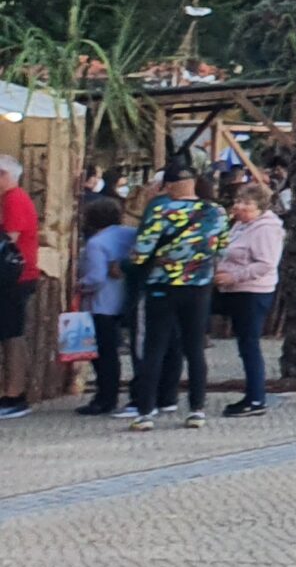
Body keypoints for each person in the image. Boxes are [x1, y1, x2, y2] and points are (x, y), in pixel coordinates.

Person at [128, 171, 231, 430]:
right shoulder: (216, 212)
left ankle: (145, 412)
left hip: (162, 285)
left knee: (155, 347)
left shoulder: (162, 211)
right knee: (195, 348)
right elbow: (221, 248)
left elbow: (141, 252)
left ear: (171, 186)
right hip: (198, 287)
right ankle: (197, 409)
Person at [213, 182, 285, 417]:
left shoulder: (266, 229)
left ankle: (256, 397)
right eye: (238, 201)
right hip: (230, 289)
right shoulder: (240, 225)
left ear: (260, 207)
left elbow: (265, 264)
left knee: (249, 343)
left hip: (252, 291)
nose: (240, 207)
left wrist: (234, 276)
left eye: (247, 204)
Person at [74, 197, 138, 416]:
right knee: (113, 351)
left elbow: (96, 277)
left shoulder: (96, 243)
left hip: (101, 303)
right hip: (125, 297)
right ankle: (113, 394)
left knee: (103, 354)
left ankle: (105, 397)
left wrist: (79, 285)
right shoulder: (129, 234)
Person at [0, 154, 38, 419]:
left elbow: (9, 239)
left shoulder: (14, 199)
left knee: (12, 335)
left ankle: (15, 393)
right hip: (14, 276)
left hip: (15, 277)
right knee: (9, 334)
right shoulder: (10, 199)